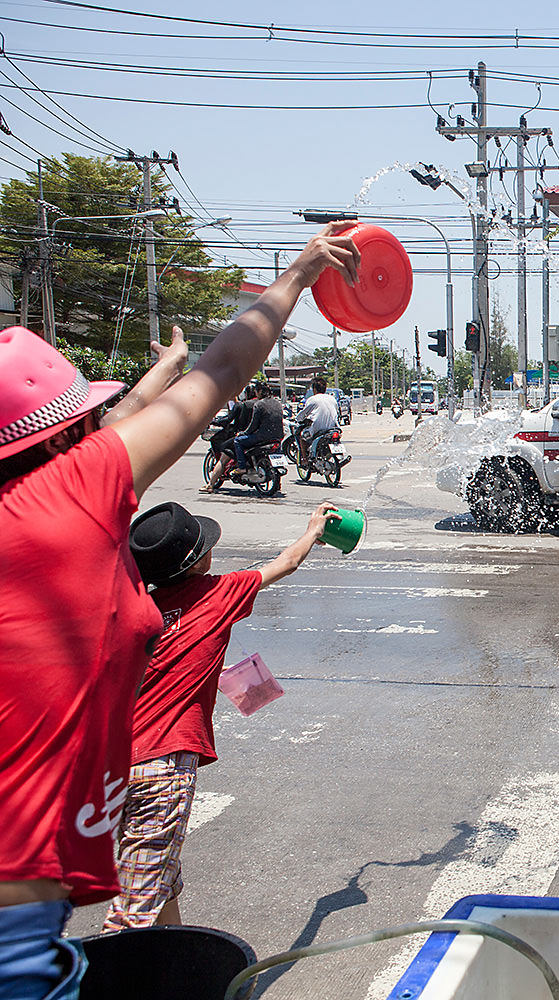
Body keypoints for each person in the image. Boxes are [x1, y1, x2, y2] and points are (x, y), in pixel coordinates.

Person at [0, 220, 358, 1000]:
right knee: (126, 926)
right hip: (19, 908)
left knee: (158, 891)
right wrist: (297, 275)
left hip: (44, 872)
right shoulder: (67, 499)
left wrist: (157, 376)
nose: (106, 430)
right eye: (89, 424)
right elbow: (225, 366)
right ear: (65, 443)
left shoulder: (41, 498)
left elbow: (103, 429)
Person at [104, 501, 339, 931]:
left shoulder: (138, 611)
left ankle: (179, 967)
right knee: (134, 908)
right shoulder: (218, 593)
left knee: (159, 877)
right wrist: (314, 531)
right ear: (202, 557)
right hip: (163, 764)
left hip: (112, 766)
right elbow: (287, 562)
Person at [295, 377, 339, 464]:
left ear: (314, 389)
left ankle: (305, 460)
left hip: (317, 429)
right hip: (333, 428)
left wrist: (298, 419)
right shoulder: (332, 399)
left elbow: (303, 414)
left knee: (302, 438)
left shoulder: (312, 399)